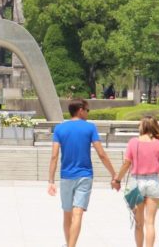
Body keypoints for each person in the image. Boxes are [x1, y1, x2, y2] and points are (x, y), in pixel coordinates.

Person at [48, 98, 118, 247]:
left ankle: (69, 244)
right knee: (78, 213)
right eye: (87, 110)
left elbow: (54, 156)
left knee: (67, 214)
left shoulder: (60, 129)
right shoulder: (90, 128)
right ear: (80, 110)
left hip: (66, 175)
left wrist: (51, 181)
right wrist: (113, 173)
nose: (88, 113)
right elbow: (101, 153)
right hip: (85, 175)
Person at [113, 115, 159, 247]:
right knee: (150, 223)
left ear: (143, 126)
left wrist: (117, 179)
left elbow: (126, 163)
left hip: (136, 182)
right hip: (153, 181)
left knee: (139, 223)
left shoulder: (133, 142)